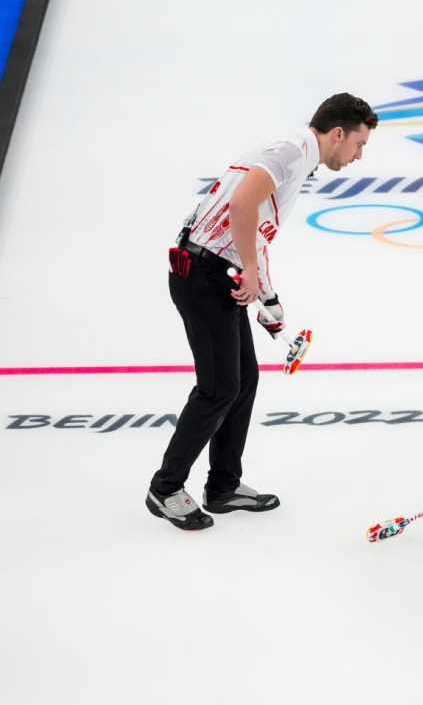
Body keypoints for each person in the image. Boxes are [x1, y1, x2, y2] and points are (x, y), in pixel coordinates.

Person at [147, 93, 379, 531]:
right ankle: (165, 489)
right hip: (203, 275)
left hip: (216, 273)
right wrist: (250, 272)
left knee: (243, 381)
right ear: (337, 133)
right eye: (359, 144)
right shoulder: (291, 150)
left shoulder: (298, 157)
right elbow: (241, 207)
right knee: (218, 389)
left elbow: (253, 234)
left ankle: (223, 486)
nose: (358, 155)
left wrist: (269, 301)